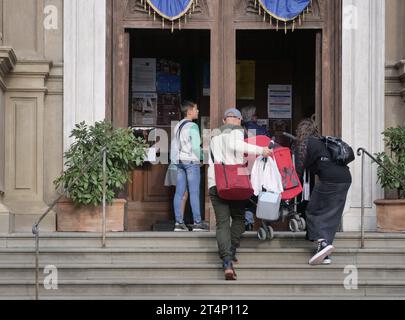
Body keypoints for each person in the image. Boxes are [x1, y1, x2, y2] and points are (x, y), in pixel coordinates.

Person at [208, 108, 273, 280]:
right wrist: (261, 150)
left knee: (222, 223)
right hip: (234, 182)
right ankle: (231, 250)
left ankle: (227, 261)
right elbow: (235, 146)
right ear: (238, 120)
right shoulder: (236, 130)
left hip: (215, 182)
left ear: (223, 120)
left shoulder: (214, 134)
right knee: (239, 218)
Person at [294, 118, 352, 265]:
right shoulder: (322, 141)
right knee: (332, 215)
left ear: (300, 131)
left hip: (329, 179)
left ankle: (322, 243)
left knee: (314, 210)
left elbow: (298, 168)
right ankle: (325, 253)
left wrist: (291, 184)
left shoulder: (305, 143)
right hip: (345, 178)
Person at [172, 101, 207, 232]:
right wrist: (203, 158)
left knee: (179, 193)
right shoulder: (193, 126)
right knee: (193, 192)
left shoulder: (178, 126)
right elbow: (196, 148)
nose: (198, 111)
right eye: (196, 109)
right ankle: (197, 223)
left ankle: (178, 223)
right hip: (191, 162)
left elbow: (175, 146)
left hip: (180, 162)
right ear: (190, 111)